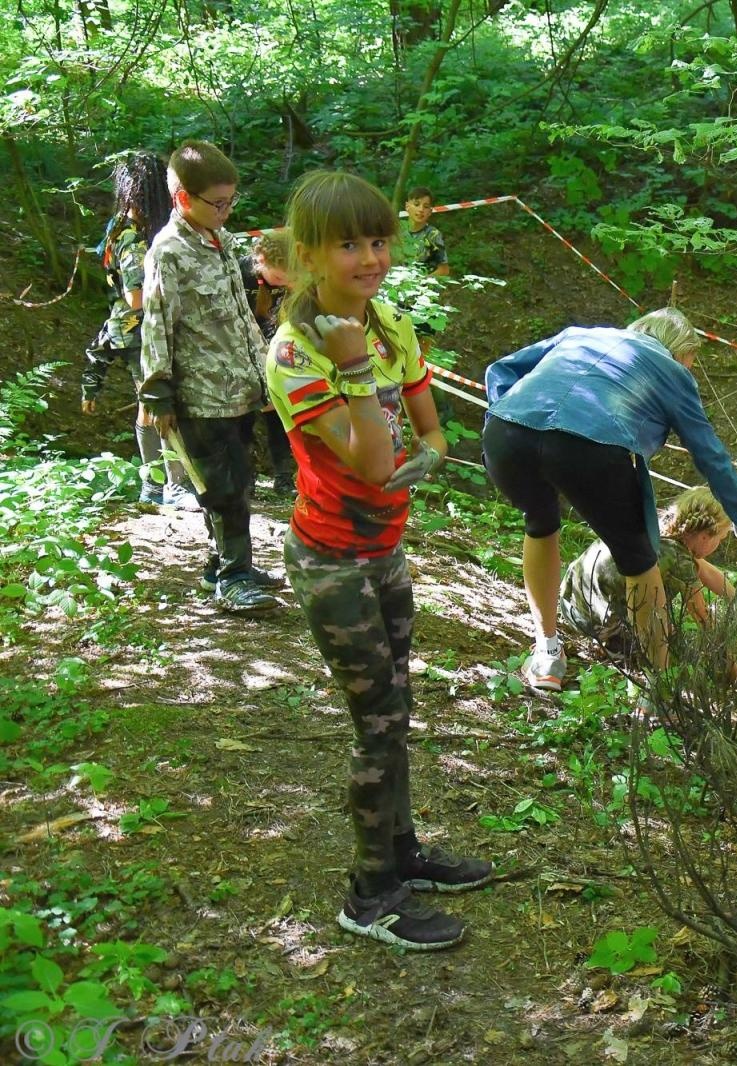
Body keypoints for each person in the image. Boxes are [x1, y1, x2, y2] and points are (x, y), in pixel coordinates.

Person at [265, 169, 485, 953]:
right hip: (332, 559)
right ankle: (369, 895)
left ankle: (402, 852)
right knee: (377, 722)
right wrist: (355, 369)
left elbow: (431, 432)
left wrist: (428, 454)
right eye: (349, 245)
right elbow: (367, 462)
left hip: (385, 549)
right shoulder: (296, 351)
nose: (370, 259)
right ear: (308, 255)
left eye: (379, 241)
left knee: (398, 708)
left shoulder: (391, 322)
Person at [481, 308, 737, 692]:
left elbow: (500, 370)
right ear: (678, 352)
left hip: (506, 434)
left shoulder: (579, 335)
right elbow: (712, 457)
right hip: (590, 448)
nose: (689, 370)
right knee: (639, 561)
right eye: (690, 362)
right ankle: (658, 689)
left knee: (540, 523)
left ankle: (547, 654)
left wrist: (502, 415)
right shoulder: (671, 371)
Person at [137, 140, 283, 611]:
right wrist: (157, 392)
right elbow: (157, 322)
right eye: (218, 203)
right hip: (199, 395)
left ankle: (224, 564)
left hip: (239, 388)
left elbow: (241, 316)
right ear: (184, 198)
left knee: (240, 481)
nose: (226, 211)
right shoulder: (168, 251)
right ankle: (232, 580)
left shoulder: (222, 243)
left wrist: (266, 372)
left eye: (231, 201)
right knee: (220, 488)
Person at [81, 151, 195, 507]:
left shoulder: (122, 229)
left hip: (136, 331)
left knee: (151, 404)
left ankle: (156, 486)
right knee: (159, 403)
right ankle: (171, 485)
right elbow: (135, 297)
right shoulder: (132, 239)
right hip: (140, 331)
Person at [560, 485, 737, 659]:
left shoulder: (660, 525)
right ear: (704, 536)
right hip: (591, 622)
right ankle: (615, 646)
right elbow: (702, 618)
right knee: (666, 639)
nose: (718, 545)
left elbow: (705, 570)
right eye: (720, 539)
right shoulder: (677, 559)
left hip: (569, 600)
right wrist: (736, 672)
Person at [239, 228, 299, 498]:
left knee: (279, 416)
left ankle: (284, 477)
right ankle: (246, 478)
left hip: (277, 352)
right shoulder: (240, 273)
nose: (288, 282)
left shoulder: (292, 279)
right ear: (262, 262)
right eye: (281, 276)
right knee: (244, 419)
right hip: (242, 352)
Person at [398, 187, 449, 277]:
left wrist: (422, 281)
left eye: (426, 207)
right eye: (416, 204)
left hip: (423, 283)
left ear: (430, 211)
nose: (421, 209)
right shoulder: (397, 231)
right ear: (407, 206)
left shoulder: (433, 234)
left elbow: (444, 270)